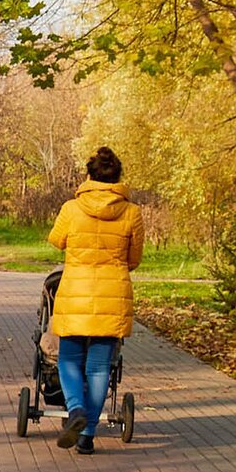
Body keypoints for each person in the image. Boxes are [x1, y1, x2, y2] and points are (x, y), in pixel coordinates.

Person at [47, 146, 144, 454]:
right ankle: (87, 434)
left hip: (75, 295)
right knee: (100, 367)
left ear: (88, 176)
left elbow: (56, 240)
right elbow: (134, 259)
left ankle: (75, 408)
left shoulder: (71, 208)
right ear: (118, 178)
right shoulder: (132, 213)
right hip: (112, 298)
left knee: (68, 359)